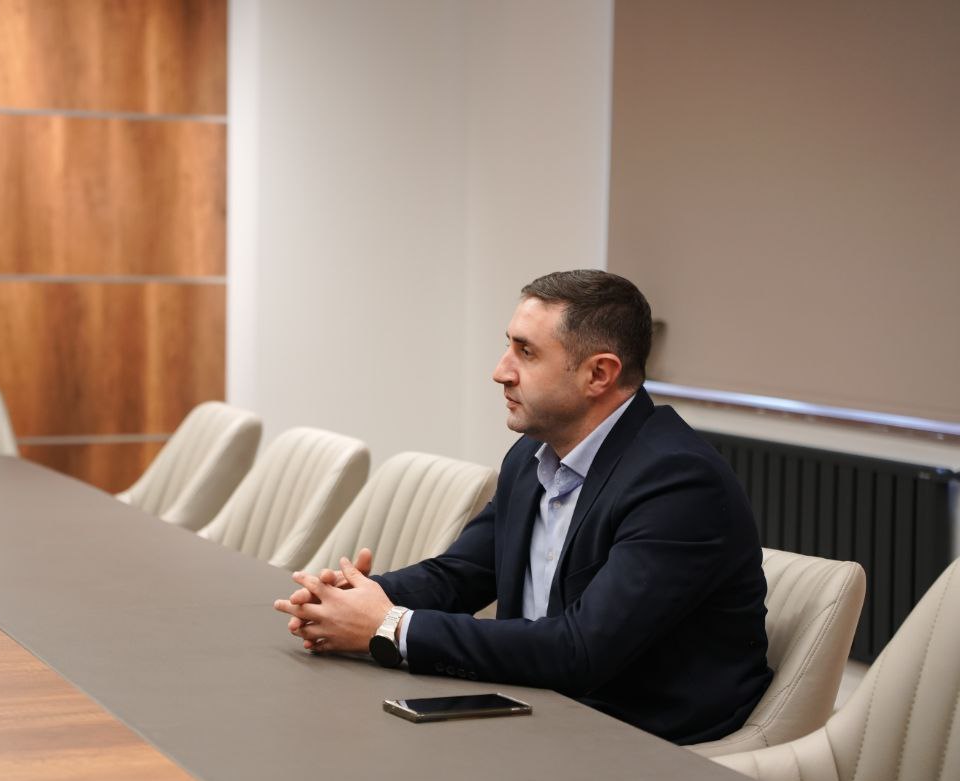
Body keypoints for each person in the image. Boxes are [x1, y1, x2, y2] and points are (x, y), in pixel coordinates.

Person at [273, 270, 772, 744]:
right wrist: (354, 599)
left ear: (599, 374)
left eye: (526, 352)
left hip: (642, 741)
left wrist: (391, 626)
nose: (500, 372)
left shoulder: (677, 481)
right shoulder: (532, 457)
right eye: (508, 346)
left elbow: (581, 650)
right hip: (537, 708)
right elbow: (461, 574)